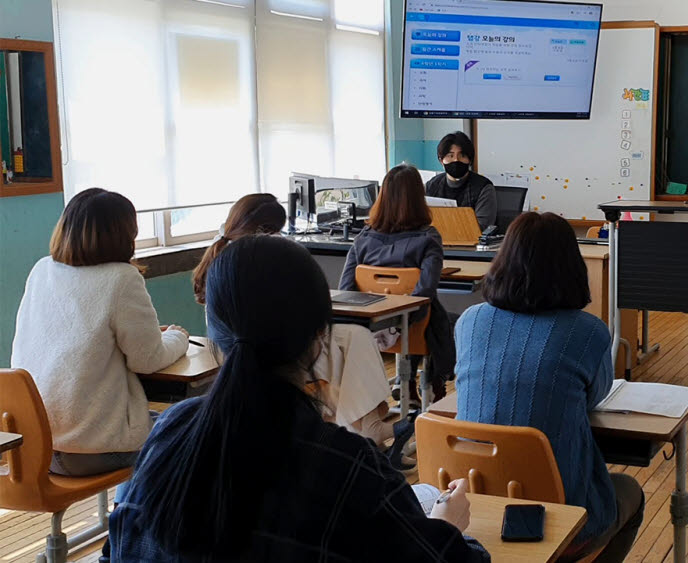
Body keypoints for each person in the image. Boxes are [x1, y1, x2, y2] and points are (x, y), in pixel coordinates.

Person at [109, 235, 489, 561]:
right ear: (320, 337)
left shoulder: (167, 435)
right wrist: (446, 525)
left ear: (214, 332)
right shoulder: (346, 466)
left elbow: (117, 546)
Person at [454, 212, 644, 562]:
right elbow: (595, 394)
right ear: (572, 267)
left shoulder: (470, 321)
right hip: (558, 524)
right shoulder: (587, 332)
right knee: (630, 491)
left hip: (471, 518)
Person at [192, 193, 397, 447]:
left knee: (356, 336)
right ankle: (361, 427)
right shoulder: (249, 262)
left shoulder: (226, 251)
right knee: (346, 345)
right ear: (263, 231)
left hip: (255, 343)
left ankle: (366, 424)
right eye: (277, 232)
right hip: (267, 350)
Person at [11, 188, 189, 476]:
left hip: (34, 447)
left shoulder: (42, 270)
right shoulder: (122, 278)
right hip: (94, 450)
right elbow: (148, 359)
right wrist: (177, 337)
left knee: (161, 422)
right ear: (123, 234)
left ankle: (126, 513)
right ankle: (135, 516)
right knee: (191, 429)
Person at [341, 164, 455, 405]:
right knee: (445, 318)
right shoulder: (428, 238)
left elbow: (346, 289)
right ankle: (435, 381)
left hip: (370, 329)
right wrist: (401, 323)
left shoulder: (363, 238)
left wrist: (376, 319)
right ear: (418, 199)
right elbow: (425, 292)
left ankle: (407, 382)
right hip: (414, 325)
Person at [425, 131, 497, 231]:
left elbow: (482, 226)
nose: (456, 160)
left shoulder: (483, 187)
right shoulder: (432, 185)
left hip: (471, 243)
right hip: (438, 242)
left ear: (470, 160)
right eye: (450, 156)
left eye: (462, 155)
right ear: (441, 160)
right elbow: (424, 221)